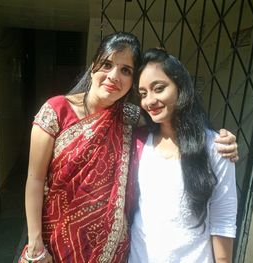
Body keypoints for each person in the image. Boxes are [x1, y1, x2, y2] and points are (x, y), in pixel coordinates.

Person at [19, 32, 238, 263]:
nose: (114, 76)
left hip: (111, 250)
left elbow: (171, 120)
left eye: (125, 70)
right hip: (56, 241)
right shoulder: (56, 110)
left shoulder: (130, 118)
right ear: (93, 66)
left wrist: (218, 140)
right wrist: (35, 243)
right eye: (107, 64)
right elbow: (35, 179)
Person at [128, 48, 237, 263]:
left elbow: (223, 219)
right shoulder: (140, 142)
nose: (149, 100)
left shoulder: (216, 147)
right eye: (142, 93)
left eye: (158, 89)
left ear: (181, 87)